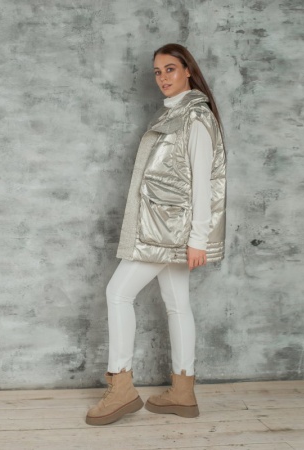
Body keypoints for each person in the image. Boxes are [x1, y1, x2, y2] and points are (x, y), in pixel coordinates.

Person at [86, 43, 226, 426]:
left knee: (118, 293)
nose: (163, 77)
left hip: (167, 232)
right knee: (177, 303)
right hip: (163, 227)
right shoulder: (174, 113)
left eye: (170, 69)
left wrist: (198, 239)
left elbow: (204, 183)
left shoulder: (195, 117)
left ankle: (121, 386)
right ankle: (183, 391)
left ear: (188, 71)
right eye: (157, 72)